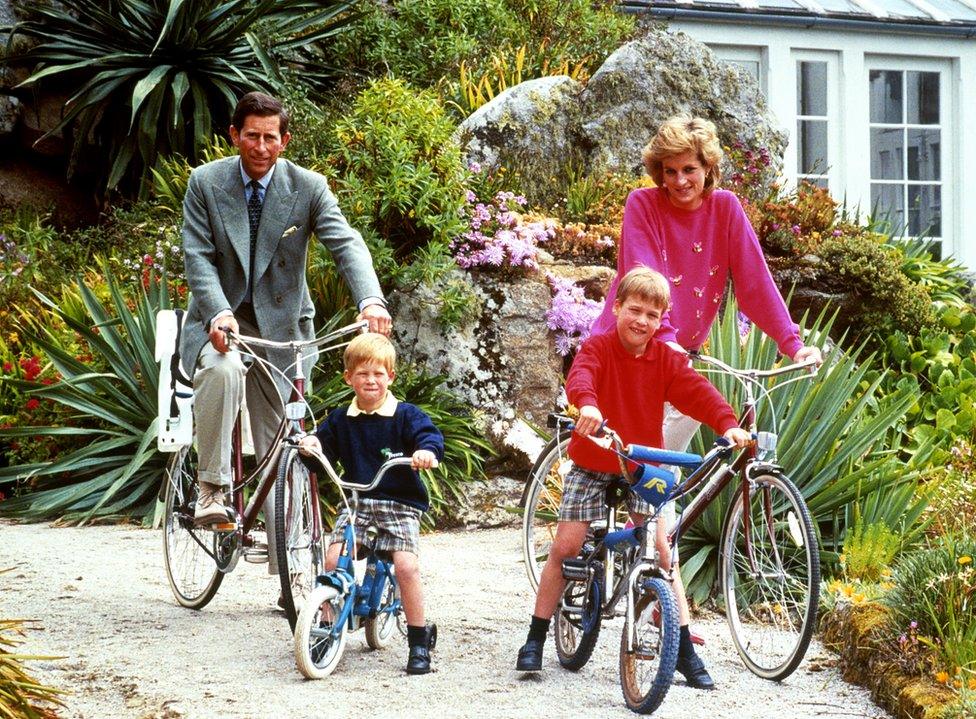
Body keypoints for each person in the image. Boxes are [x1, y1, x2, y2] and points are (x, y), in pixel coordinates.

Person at [587, 115, 823, 687]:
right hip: (637, 353)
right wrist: (665, 345)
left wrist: (792, 344)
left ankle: (655, 598)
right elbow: (639, 274)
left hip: (679, 362)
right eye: (668, 171)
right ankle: (651, 608)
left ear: (708, 167)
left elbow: (756, 282)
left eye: (688, 169)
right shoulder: (642, 205)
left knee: (668, 493)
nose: (678, 181)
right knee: (649, 493)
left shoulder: (727, 211)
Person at [180, 91, 391, 581]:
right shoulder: (206, 184)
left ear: (284, 140)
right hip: (222, 322)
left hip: (283, 329)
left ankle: (288, 564)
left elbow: (346, 243)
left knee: (285, 439)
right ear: (234, 135)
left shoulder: (308, 188)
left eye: (269, 137)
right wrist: (218, 313)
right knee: (224, 368)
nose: (259, 146)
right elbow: (198, 258)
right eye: (250, 135)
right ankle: (211, 487)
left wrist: (371, 300)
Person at [515, 267, 752, 686]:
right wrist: (587, 406)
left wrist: (727, 422)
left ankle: (681, 651)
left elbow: (697, 392)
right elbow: (580, 378)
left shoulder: (665, 359)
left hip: (639, 465)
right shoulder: (599, 348)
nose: (641, 321)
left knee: (662, 551)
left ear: (661, 322)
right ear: (617, 308)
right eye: (634, 310)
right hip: (594, 458)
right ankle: (535, 635)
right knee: (567, 545)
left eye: (652, 315)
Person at [298, 333, 444, 674]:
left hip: (399, 504)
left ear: (390, 377)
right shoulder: (341, 419)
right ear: (349, 378)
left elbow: (429, 435)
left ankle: (419, 639)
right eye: (363, 374)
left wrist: (425, 452)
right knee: (334, 558)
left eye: (379, 373)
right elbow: (324, 449)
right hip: (358, 501)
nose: (371, 380)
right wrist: (311, 446)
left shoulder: (405, 415)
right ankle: (325, 625)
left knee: (406, 566)